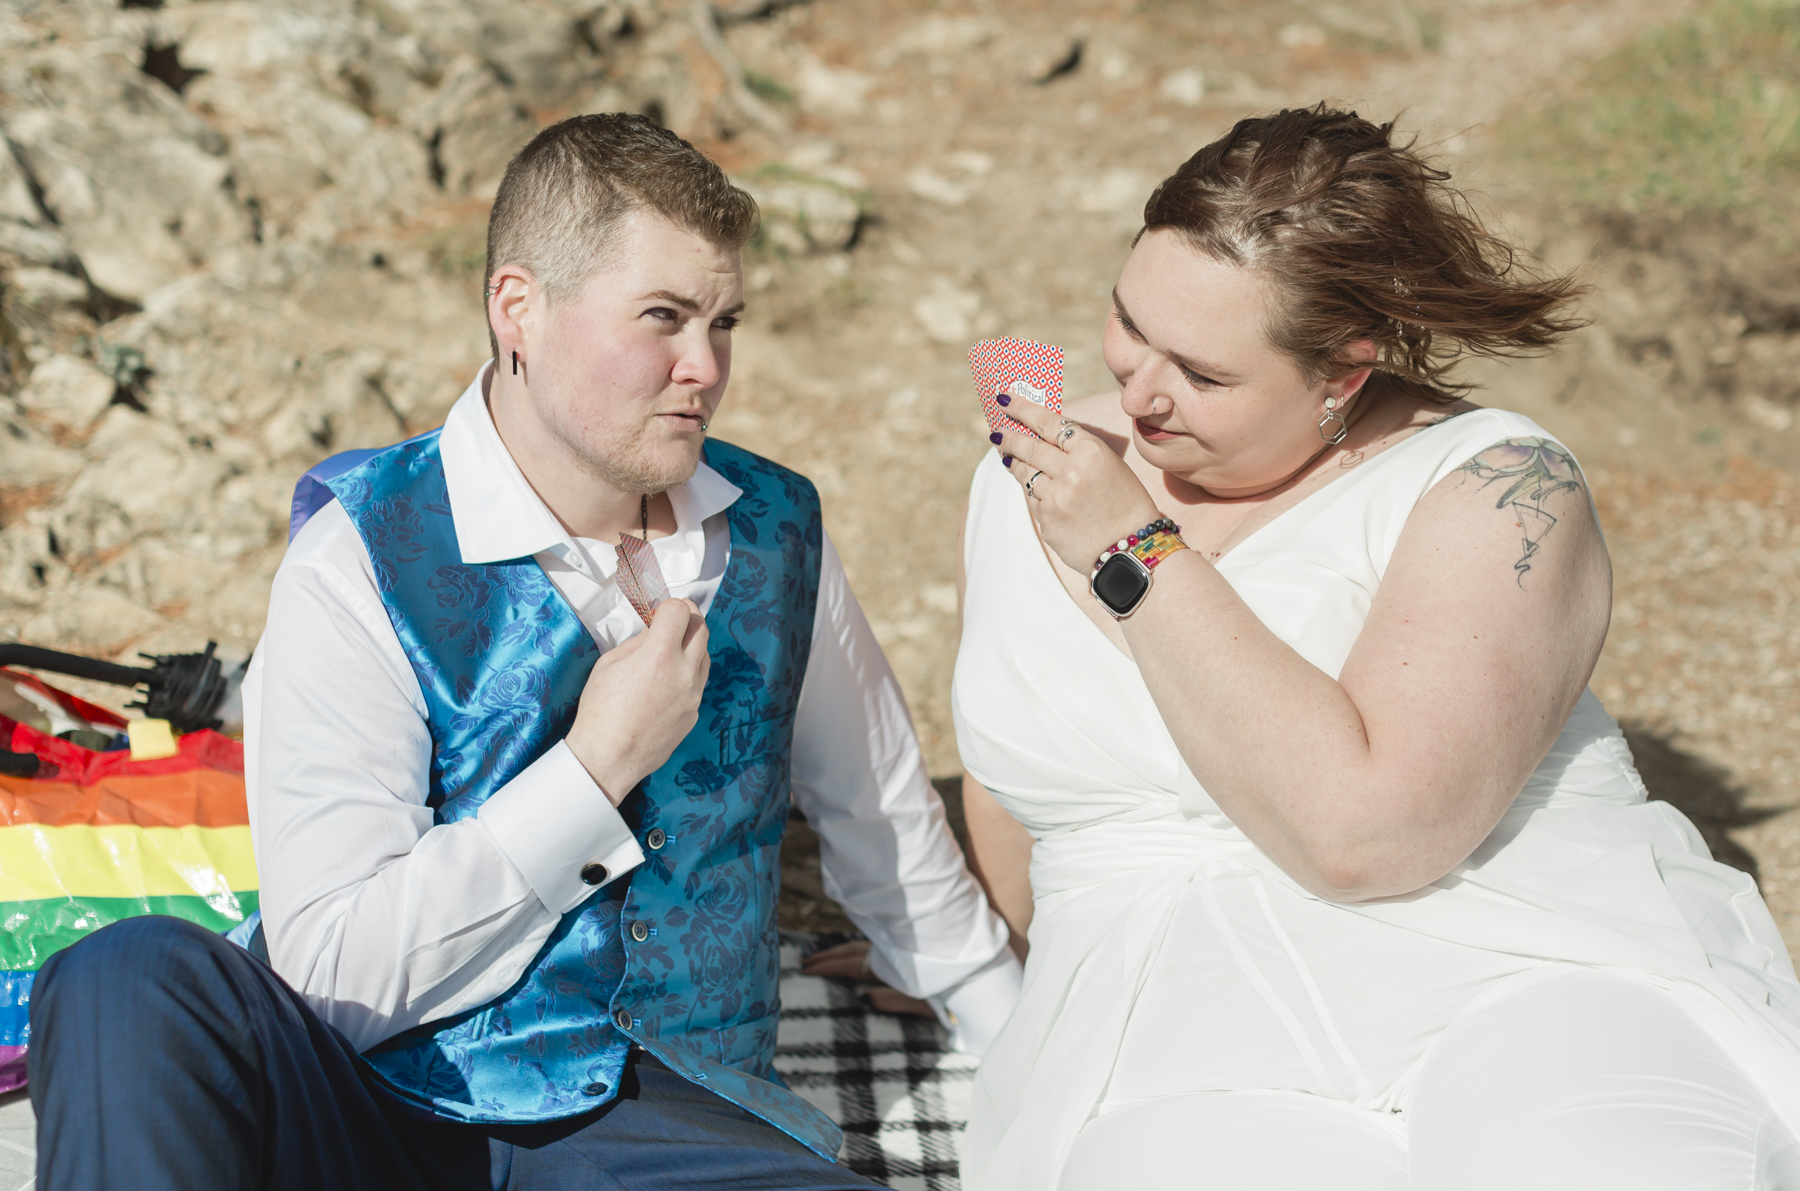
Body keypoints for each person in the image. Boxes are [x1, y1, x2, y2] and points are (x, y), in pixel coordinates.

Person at [29, 114, 1020, 1191]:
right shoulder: (358, 557)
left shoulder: (775, 530)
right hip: (373, 1102)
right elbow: (332, 973)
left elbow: (879, 820)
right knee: (122, 981)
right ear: (520, 309)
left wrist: (1026, 1049)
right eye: (663, 318)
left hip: (665, 1124)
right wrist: (591, 775)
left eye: (724, 321)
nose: (706, 367)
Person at [954, 106, 1800, 1191]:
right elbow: (1013, 768)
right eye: (1129, 324)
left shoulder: (1495, 486)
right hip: (1165, 1040)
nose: (1138, 392)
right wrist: (970, 952)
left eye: (1203, 375)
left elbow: (1367, 839)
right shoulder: (1031, 471)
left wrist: (1134, 551)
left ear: (1343, 373)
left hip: (1502, 966)